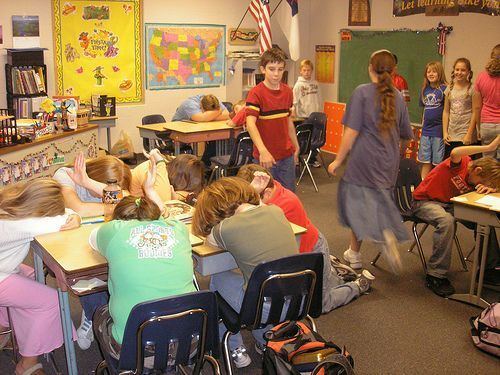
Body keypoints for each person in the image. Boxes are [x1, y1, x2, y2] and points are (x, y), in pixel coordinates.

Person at [91, 158, 196, 361]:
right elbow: (164, 214)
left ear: (119, 218)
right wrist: (150, 190)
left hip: (137, 348)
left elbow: (92, 239)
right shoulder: (177, 229)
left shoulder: (112, 231)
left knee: (101, 314)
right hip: (189, 342)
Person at [237, 164, 375, 313]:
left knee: (320, 305)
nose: (247, 203)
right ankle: (335, 272)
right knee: (322, 287)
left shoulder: (284, 204)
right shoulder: (268, 192)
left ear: (267, 192)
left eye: (250, 198)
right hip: (298, 253)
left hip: (311, 254)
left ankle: (359, 285)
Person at [191, 177, 298, 368]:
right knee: (255, 278)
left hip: (260, 308)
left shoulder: (224, 228)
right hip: (296, 300)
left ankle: (235, 348)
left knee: (217, 276)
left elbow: (210, 248)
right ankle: (264, 340)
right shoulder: (275, 210)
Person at [328, 50, 413, 273]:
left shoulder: (361, 93)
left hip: (362, 161)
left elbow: (351, 133)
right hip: (388, 162)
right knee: (377, 201)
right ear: (393, 71)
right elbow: (406, 135)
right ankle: (354, 253)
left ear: (370, 68)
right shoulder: (398, 97)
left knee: (355, 206)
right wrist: (399, 155)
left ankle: (379, 233)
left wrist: (337, 160)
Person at [0, 179, 80, 375]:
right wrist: (75, 216)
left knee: (34, 278)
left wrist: (72, 214)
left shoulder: (11, 206)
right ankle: (27, 364)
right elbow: (64, 219)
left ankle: (5, 330)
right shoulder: (23, 224)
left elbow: (65, 214)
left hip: (6, 268)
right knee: (51, 301)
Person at [54, 153, 131, 350]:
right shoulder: (65, 175)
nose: (110, 194)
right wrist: (112, 203)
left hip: (100, 239)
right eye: (108, 189)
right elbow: (78, 208)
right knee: (88, 267)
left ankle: (111, 311)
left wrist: (90, 184)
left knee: (124, 259)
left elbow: (131, 205)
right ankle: (95, 314)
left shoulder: (93, 182)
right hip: (67, 244)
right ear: (97, 175)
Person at [411, 139, 500, 296]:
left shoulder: (476, 176)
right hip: (424, 201)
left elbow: (492, 184)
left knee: (484, 218)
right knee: (447, 221)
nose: (477, 184)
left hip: (447, 204)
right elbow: (455, 152)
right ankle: (435, 275)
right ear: (478, 170)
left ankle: (488, 270)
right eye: (482, 181)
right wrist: (490, 147)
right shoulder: (462, 163)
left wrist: (490, 188)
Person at [246, 47, 300, 192]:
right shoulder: (256, 93)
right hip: (265, 157)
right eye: (272, 69)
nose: (276, 74)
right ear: (263, 69)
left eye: (280, 69)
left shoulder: (288, 91)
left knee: (288, 197)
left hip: (286, 155)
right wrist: (263, 151)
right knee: (265, 199)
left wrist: (296, 146)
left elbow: (288, 121)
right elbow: (250, 124)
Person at [53, 153, 132, 217]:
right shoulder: (65, 174)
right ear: (95, 176)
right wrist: (116, 207)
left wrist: (88, 182)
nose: (104, 196)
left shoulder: (88, 182)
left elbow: (128, 201)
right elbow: (78, 210)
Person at [172, 94, 230, 167]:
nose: (212, 115)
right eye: (209, 113)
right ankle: (203, 167)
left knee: (217, 138)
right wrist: (219, 111)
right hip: (177, 134)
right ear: (201, 106)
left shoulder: (213, 101)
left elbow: (227, 115)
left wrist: (208, 117)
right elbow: (201, 118)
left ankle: (205, 167)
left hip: (196, 130)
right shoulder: (189, 104)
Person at [443, 58, 478, 158]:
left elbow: (475, 112)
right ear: (453, 71)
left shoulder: (473, 89)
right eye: (457, 69)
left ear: (468, 72)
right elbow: (446, 112)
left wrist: (469, 134)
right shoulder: (449, 88)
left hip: (465, 135)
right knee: (451, 166)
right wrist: (445, 133)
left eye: (463, 70)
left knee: (466, 166)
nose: (459, 72)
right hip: (451, 135)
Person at [418, 61, 448, 179]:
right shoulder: (424, 90)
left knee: (437, 162)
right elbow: (424, 110)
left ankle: (434, 184)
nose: (431, 74)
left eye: (434, 71)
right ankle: (422, 184)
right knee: (425, 160)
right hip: (426, 131)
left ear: (439, 73)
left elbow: (447, 110)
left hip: (438, 132)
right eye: (428, 71)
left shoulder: (445, 89)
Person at [293, 59, 323, 168]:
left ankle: (312, 159)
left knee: (316, 138)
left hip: (316, 116)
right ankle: (300, 159)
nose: (307, 72)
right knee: (305, 140)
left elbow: (319, 99)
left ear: (312, 71)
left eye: (309, 70)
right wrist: (295, 115)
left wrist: (320, 111)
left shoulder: (315, 84)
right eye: (304, 70)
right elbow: (294, 102)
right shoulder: (298, 86)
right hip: (304, 117)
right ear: (300, 71)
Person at [474, 44, 500, 159]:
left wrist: (479, 127)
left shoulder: (481, 77)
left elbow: (477, 107)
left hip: (487, 125)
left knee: (488, 162)